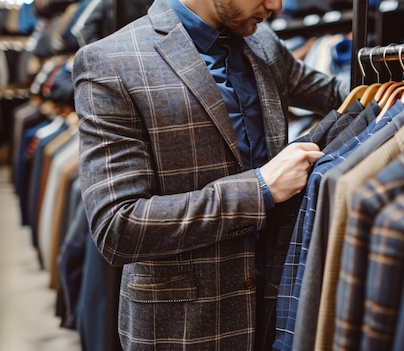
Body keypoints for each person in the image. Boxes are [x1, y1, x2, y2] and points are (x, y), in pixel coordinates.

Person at [72, 0, 348, 349]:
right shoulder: (110, 61)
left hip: (279, 314)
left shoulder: (262, 42)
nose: (276, 5)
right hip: (185, 327)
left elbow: (340, 94)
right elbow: (117, 227)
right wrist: (259, 189)